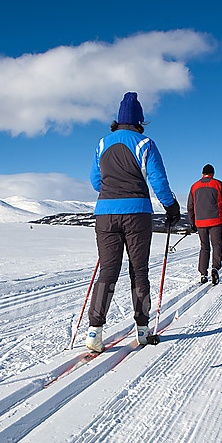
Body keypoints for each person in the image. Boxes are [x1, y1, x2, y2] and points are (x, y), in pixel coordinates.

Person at [86, 92, 181, 352]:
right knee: (139, 271)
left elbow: (96, 182)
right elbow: (159, 182)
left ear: (118, 120)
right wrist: (171, 207)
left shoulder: (102, 143)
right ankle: (142, 329)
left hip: (105, 214)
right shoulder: (145, 143)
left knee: (107, 271)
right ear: (140, 120)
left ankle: (94, 332)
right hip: (137, 214)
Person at [187, 164, 222, 285]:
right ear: (213, 173)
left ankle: (203, 273)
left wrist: (192, 223)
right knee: (217, 245)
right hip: (215, 221)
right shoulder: (218, 184)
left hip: (200, 222)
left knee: (204, 247)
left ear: (202, 173)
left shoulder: (194, 186)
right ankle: (215, 268)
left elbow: (190, 207)